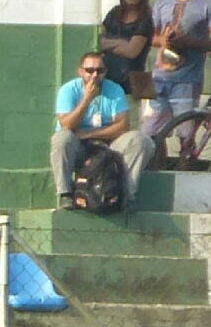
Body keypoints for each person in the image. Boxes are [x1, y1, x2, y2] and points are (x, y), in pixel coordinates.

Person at [52, 50, 149, 210]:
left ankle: (126, 196)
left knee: (140, 140)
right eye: (89, 70)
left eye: (100, 70)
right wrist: (87, 99)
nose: (95, 75)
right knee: (61, 138)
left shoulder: (114, 90)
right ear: (80, 71)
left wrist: (89, 134)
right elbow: (67, 125)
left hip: (107, 145)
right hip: (78, 146)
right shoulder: (68, 90)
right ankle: (65, 194)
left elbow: (123, 125)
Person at [148, 0, 211, 160]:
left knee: (185, 135)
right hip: (159, 78)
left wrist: (186, 42)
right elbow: (151, 36)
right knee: (152, 133)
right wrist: (164, 40)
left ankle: (186, 170)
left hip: (188, 79)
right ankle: (157, 169)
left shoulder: (208, 4)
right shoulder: (162, 2)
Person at [97, 0, 154, 91]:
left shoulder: (145, 19)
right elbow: (98, 42)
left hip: (130, 81)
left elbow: (131, 52)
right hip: (106, 76)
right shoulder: (114, 13)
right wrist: (120, 42)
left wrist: (108, 46)